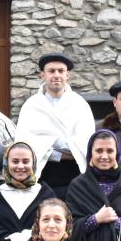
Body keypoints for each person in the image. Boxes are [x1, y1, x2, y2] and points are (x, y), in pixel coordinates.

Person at [15, 54, 95, 199]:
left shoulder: (80, 104)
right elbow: (23, 143)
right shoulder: (31, 106)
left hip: (74, 176)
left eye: (61, 71)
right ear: (42, 75)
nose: (56, 75)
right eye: (51, 71)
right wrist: (59, 153)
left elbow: (86, 143)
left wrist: (47, 143)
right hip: (40, 176)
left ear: (67, 75)